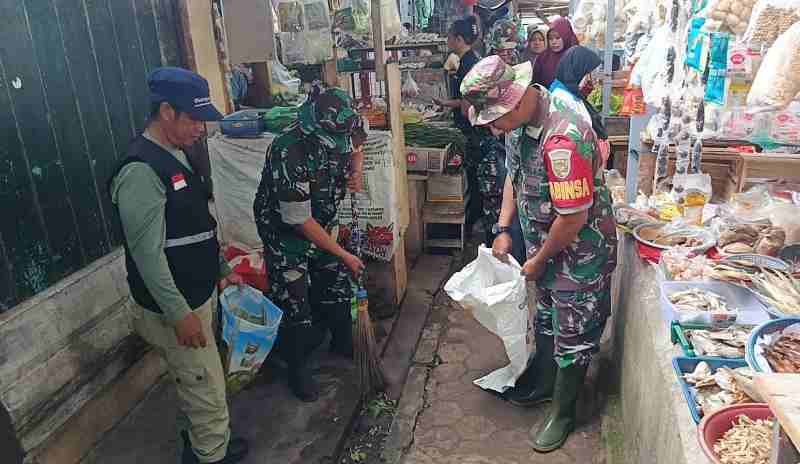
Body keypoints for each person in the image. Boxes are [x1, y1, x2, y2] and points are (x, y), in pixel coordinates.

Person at [460, 52, 617, 452]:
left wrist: (539, 259)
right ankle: (546, 383)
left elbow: (572, 219)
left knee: (574, 331)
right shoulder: (519, 126)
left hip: (579, 254)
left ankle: (565, 412)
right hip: (544, 246)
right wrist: (503, 228)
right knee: (546, 316)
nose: (494, 129)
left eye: (496, 119)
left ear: (515, 100)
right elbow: (514, 175)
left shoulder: (564, 135)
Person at [109, 67, 249, 464]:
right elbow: (147, 255)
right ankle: (210, 455)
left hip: (197, 291)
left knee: (204, 383)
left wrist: (221, 269)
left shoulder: (177, 154)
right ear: (167, 111)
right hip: (178, 305)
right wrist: (178, 313)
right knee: (203, 387)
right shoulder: (139, 171)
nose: (201, 130)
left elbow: (195, 225)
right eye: (194, 119)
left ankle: (207, 443)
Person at [253, 86, 367, 403]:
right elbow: (299, 220)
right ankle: (297, 367)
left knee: (336, 282)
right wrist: (343, 253)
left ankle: (343, 341)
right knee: (295, 300)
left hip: (322, 219)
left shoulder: (350, 122)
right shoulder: (288, 150)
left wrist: (356, 170)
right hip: (286, 232)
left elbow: (359, 144)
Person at [433, 16, 483, 232]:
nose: (447, 40)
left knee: (473, 173)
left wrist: (449, 105)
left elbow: (466, 102)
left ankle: (474, 217)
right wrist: (447, 103)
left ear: (459, 39)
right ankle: (475, 214)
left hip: (471, 127)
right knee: (472, 173)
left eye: (450, 37)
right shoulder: (469, 59)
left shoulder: (467, 63)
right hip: (471, 124)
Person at [532, 16, 579, 88]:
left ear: (566, 36)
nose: (554, 42)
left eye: (557, 38)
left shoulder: (576, 56)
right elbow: (535, 83)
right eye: (550, 39)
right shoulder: (542, 58)